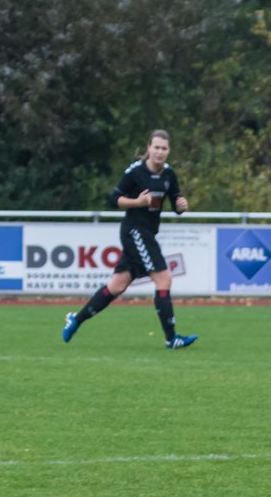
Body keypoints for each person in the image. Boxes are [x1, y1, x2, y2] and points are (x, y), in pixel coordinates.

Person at [62, 129, 197, 349]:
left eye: (164, 148)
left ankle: (76, 319)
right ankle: (171, 338)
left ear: (168, 150)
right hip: (135, 231)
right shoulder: (136, 172)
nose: (160, 152)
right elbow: (113, 199)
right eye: (156, 147)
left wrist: (181, 206)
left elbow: (175, 200)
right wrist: (137, 202)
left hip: (147, 234)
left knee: (116, 286)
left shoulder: (169, 175)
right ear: (149, 148)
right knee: (164, 280)